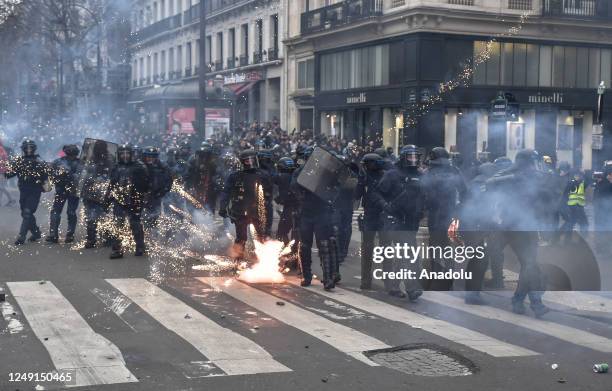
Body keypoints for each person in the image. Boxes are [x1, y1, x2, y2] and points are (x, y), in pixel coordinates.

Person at [485, 149, 550, 317]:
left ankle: (521, 300)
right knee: (528, 264)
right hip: (509, 225)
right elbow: (489, 183)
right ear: (524, 163)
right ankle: (534, 302)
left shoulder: (536, 177)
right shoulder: (511, 172)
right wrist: (514, 178)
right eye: (532, 162)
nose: (535, 166)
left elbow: (545, 200)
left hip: (528, 225)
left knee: (529, 265)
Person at [370, 145, 425, 301]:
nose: (413, 160)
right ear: (403, 158)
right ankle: (412, 288)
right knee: (408, 255)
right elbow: (376, 193)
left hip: (411, 221)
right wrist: (386, 207)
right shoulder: (392, 175)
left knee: (405, 256)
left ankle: (393, 285)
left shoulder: (420, 175)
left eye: (415, 156)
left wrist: (422, 210)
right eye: (410, 157)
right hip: (396, 220)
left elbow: (424, 195)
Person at [291, 147, 338, 290]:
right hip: (306, 212)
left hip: (322, 211)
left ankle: (328, 277)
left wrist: (329, 198)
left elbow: (337, 188)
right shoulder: (300, 172)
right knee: (304, 246)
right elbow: (294, 187)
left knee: (324, 245)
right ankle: (306, 275)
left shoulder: (325, 173)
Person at [422, 147, 467, 291]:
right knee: (447, 246)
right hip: (449, 213)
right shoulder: (454, 171)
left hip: (435, 213)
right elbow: (464, 191)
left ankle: (436, 277)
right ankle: (449, 278)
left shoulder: (429, 172)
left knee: (435, 246)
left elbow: (422, 191)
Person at [219, 149, 273, 259]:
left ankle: (262, 261)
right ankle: (239, 261)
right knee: (243, 238)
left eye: (251, 160)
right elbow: (226, 192)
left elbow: (269, 193)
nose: (250, 162)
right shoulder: (236, 176)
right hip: (241, 211)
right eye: (248, 160)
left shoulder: (262, 175)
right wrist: (223, 207)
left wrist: (267, 207)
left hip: (255, 211)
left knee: (260, 237)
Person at [107, 144, 149, 259]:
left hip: (134, 199)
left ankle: (140, 247)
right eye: (122, 153)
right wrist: (107, 198)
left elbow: (145, 184)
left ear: (131, 154)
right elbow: (111, 183)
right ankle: (117, 249)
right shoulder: (116, 167)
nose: (125, 155)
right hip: (119, 199)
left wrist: (141, 196)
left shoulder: (139, 166)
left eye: (127, 153)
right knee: (117, 224)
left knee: (135, 223)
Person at [4, 139, 49, 245]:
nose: (28, 150)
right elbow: (9, 174)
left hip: (35, 191)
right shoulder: (20, 161)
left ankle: (21, 237)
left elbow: (46, 178)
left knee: (27, 213)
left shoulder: (39, 161)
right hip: (24, 191)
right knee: (25, 213)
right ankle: (36, 233)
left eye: (30, 148)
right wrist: (6, 167)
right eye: (27, 148)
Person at [355, 153, 386, 290]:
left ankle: (368, 281)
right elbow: (357, 195)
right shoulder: (366, 177)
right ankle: (368, 281)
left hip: (379, 215)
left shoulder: (384, 176)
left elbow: (356, 196)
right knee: (374, 249)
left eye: (366, 164)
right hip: (372, 216)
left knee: (376, 249)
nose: (365, 167)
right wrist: (361, 182)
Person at [81, 140, 114, 249]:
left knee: (103, 217)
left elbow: (111, 176)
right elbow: (83, 176)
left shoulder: (109, 161)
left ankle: (105, 238)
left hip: (103, 194)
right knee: (92, 217)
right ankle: (92, 239)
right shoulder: (90, 161)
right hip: (90, 193)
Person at [46, 144, 81, 243]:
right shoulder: (59, 162)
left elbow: (82, 177)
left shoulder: (60, 162)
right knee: (60, 212)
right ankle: (56, 235)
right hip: (63, 190)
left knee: (67, 212)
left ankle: (66, 235)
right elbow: (51, 173)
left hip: (71, 191)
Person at [142, 146, 173, 228]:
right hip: (141, 197)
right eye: (148, 156)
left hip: (155, 197)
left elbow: (169, 181)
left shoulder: (163, 167)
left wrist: (162, 192)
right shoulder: (140, 166)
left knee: (154, 219)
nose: (150, 159)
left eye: (153, 157)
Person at [185, 142, 218, 214]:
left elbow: (216, 173)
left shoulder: (212, 161)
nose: (204, 158)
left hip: (208, 186)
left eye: (206, 155)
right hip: (195, 185)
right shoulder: (193, 159)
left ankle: (208, 216)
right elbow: (188, 175)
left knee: (210, 203)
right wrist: (189, 187)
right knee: (193, 204)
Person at [560, 169, 588, 239]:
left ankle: (561, 237)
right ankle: (581, 240)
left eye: (580, 175)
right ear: (575, 176)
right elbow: (565, 195)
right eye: (578, 175)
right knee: (582, 223)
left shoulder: (581, 183)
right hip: (574, 207)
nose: (579, 177)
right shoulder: (572, 183)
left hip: (577, 206)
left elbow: (588, 181)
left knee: (571, 223)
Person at [0, 139, 15, 206]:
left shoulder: (1, 149)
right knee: (1, 187)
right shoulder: (2, 149)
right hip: (3, 170)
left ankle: (11, 200)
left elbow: (2, 160)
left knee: (1, 187)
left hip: (1, 171)